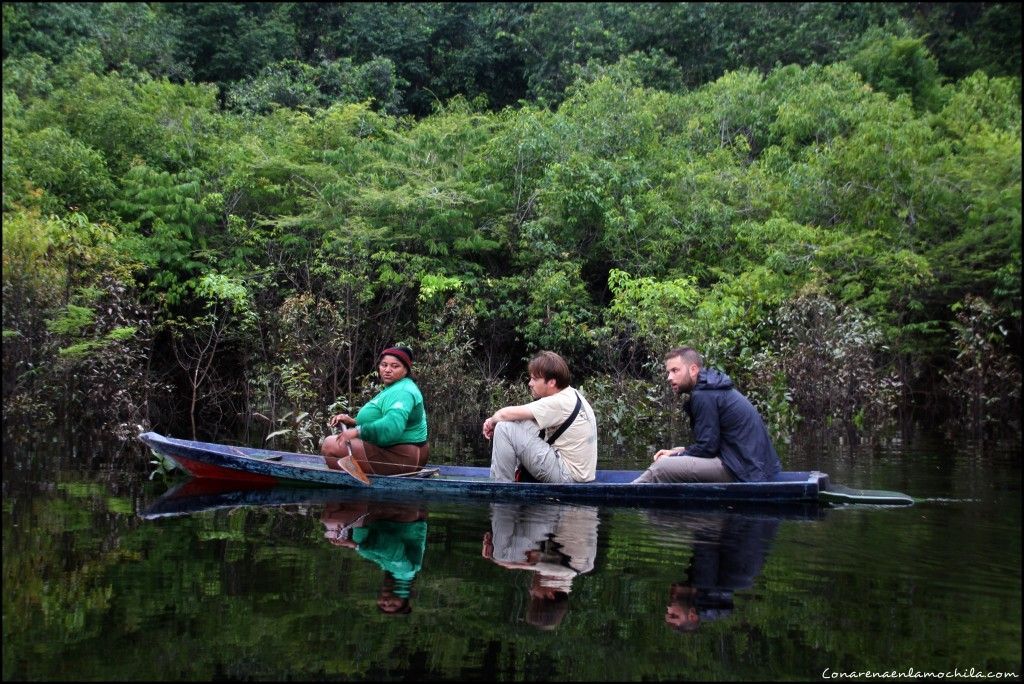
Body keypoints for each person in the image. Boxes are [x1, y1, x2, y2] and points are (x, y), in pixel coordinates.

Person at [633, 347, 781, 484]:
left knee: (662, 466)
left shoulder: (704, 394)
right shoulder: (709, 388)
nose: (669, 377)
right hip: (747, 465)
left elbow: (707, 449)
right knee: (676, 451)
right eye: (668, 372)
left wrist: (673, 457)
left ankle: (626, 491)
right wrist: (678, 452)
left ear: (693, 369)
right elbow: (710, 444)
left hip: (743, 470)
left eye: (675, 370)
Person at [482, 351, 597, 483]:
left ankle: (501, 487)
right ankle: (515, 474)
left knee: (503, 428)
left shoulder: (558, 402)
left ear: (552, 382)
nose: (530, 383)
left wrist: (492, 421)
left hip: (568, 477)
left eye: (535, 379)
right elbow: (519, 416)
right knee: (522, 423)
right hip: (578, 474)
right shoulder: (571, 394)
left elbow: (503, 414)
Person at [481, 502, 599, 630]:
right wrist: (501, 561)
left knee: (514, 555)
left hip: (566, 508)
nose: (530, 591)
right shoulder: (569, 570)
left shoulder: (587, 566)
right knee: (503, 555)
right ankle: (502, 499)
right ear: (550, 594)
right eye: (534, 596)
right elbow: (551, 568)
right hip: (555, 505)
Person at [322, 345, 429, 476]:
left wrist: (358, 431)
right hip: (400, 455)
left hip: (399, 457)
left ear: (406, 370)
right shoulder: (395, 387)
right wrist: (353, 422)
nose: (387, 370)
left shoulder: (403, 391)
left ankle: (354, 491)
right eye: (384, 365)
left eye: (395, 366)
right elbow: (385, 418)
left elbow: (392, 426)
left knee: (330, 445)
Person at [321, 500, 428, 615]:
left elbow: (371, 553)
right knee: (334, 517)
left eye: (382, 604)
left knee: (332, 515)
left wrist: (352, 544)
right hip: (401, 517)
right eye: (393, 604)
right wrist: (355, 544)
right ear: (404, 598)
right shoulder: (405, 571)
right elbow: (391, 549)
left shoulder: (391, 571)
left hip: (388, 520)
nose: (386, 601)